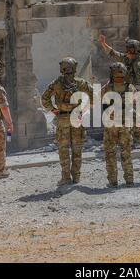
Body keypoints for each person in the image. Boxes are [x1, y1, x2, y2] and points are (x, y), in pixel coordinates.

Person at [41, 57, 94, 186]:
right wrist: (83, 109)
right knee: (77, 148)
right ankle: (76, 176)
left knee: (63, 149)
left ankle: (65, 177)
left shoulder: (57, 83)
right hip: (77, 118)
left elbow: (44, 99)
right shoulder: (81, 83)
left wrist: (54, 110)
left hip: (62, 118)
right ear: (74, 67)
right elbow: (94, 97)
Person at [98, 34, 140, 148]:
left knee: (136, 117)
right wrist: (103, 43)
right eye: (127, 50)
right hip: (123, 89)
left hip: (133, 93)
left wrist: (137, 95)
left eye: (129, 50)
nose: (127, 52)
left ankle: (138, 141)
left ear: (134, 51)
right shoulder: (127, 58)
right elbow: (114, 54)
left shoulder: (139, 65)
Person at [101, 62, 136, 187]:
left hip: (111, 125)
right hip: (125, 124)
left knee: (110, 153)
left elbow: (99, 101)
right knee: (126, 151)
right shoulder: (130, 88)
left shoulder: (106, 87)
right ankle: (129, 180)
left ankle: (113, 181)